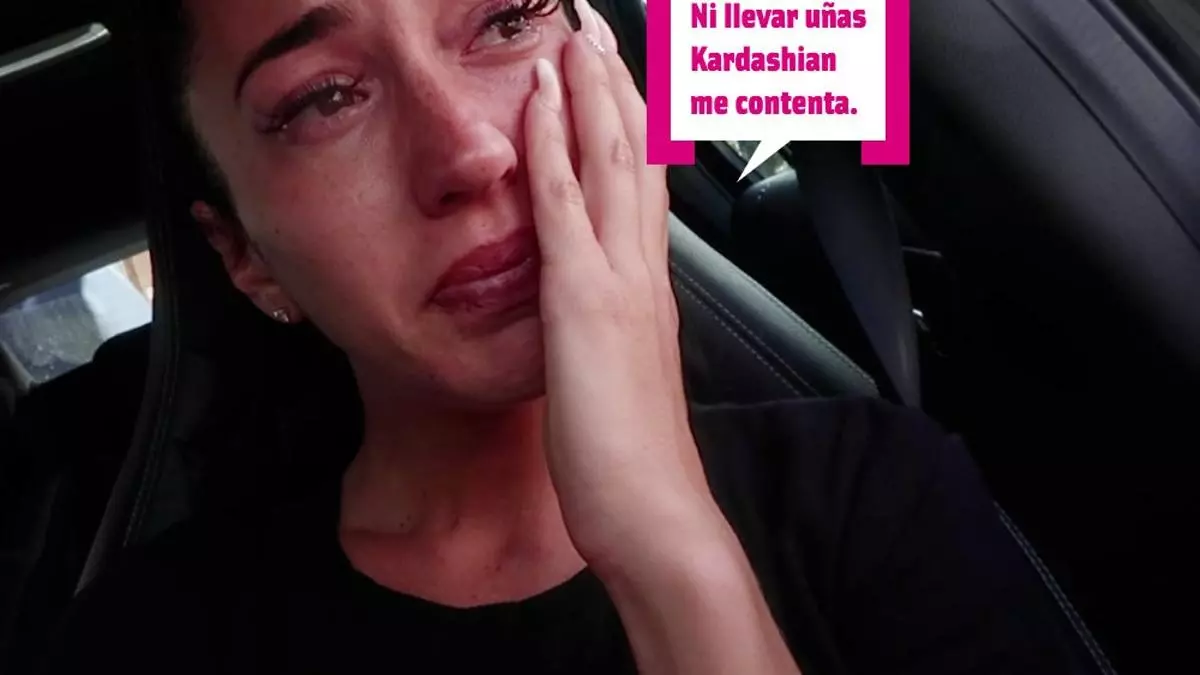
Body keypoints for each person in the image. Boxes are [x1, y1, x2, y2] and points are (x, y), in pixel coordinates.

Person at [39, 0, 1098, 673]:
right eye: (324, 99)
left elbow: (888, 57)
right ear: (246, 258)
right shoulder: (147, 644)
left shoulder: (878, 490)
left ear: (608, 69)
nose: (469, 153)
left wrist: (663, 537)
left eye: (507, 18)